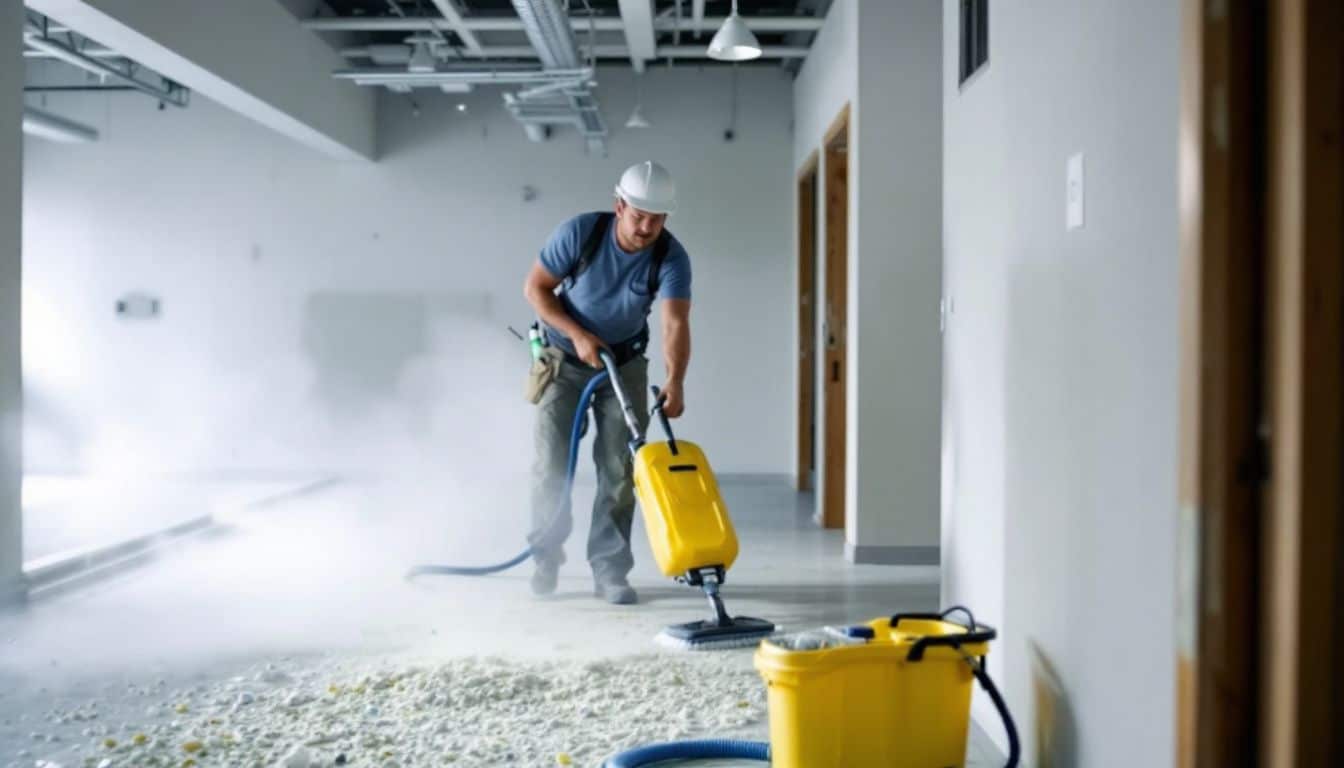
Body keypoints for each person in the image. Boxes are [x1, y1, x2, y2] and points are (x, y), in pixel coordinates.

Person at [521, 161, 693, 605]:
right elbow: (536, 289)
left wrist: (676, 380)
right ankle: (546, 558)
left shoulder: (670, 257)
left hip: (625, 363)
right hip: (564, 357)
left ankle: (610, 570)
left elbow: (675, 323)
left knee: (620, 471)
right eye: (639, 215)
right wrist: (578, 335)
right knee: (551, 464)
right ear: (619, 206)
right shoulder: (581, 234)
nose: (647, 227)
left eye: (657, 218)